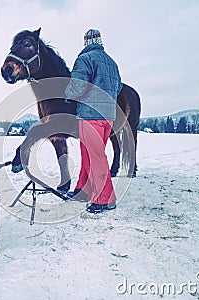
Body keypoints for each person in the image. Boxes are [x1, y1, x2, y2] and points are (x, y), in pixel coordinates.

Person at [65, 29, 123, 213]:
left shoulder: (85, 60)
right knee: (89, 155)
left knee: (96, 157)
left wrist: (65, 94)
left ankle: (105, 199)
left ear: (86, 43)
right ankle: (84, 191)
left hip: (91, 116)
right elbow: (119, 86)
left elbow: (76, 88)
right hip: (108, 117)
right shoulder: (112, 63)